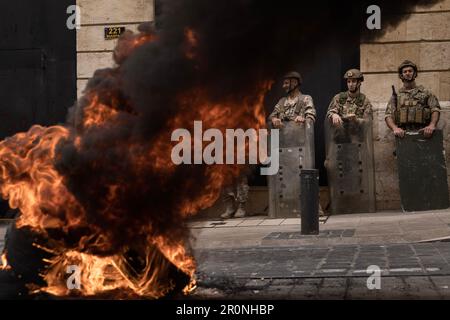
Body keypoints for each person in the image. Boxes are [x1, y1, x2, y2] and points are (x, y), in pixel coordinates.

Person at [385, 60, 440, 138]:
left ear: (415, 73)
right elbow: (388, 115)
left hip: (423, 133)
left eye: (410, 71)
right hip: (403, 135)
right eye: (405, 72)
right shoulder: (396, 96)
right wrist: (395, 128)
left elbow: (435, 109)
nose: (407, 73)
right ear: (401, 75)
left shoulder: (426, 93)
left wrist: (432, 125)